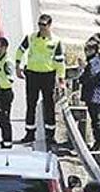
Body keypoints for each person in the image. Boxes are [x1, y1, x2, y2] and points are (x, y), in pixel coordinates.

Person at [15, 14, 66, 148]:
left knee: (49, 105)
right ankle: (29, 133)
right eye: (39, 24)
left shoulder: (55, 41)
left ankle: (50, 135)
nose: (41, 27)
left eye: (44, 25)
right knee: (31, 104)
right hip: (32, 74)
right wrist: (18, 66)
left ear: (49, 25)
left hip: (48, 75)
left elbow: (60, 62)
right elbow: (20, 50)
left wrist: (61, 80)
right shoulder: (31, 37)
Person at [79, 38, 100, 151]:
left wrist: (82, 71)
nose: (86, 51)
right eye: (85, 49)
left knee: (96, 120)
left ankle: (98, 143)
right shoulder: (97, 61)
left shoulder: (93, 63)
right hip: (99, 95)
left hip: (95, 96)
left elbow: (87, 78)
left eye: (88, 49)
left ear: (94, 50)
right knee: (99, 119)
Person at [0, 36, 15, 149]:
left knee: (4, 119)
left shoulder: (7, 62)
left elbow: (11, 79)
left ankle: (7, 142)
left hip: (5, 93)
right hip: (0, 92)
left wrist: (0, 83)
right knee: (0, 118)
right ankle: (5, 140)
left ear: (4, 48)